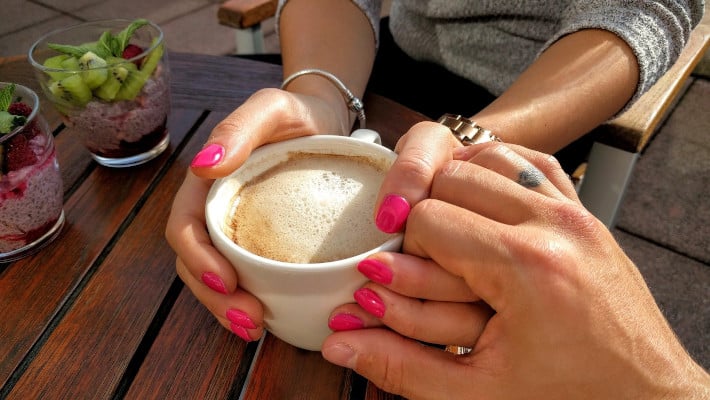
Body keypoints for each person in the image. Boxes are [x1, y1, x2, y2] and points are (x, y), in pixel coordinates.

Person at [164, 0, 708, 395]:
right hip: (379, 58)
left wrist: (474, 146)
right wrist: (319, 99)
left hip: (551, 98)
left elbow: (646, 9)